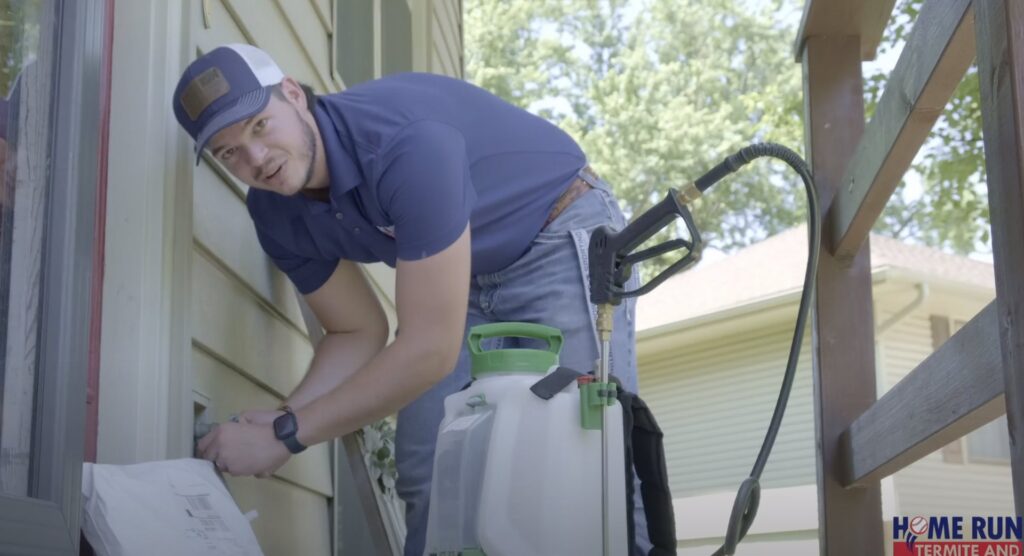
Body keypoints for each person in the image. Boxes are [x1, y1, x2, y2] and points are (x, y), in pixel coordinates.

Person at [177, 44, 649, 555]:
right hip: (460, 273)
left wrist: (289, 436)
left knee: (584, 455)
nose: (256, 159)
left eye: (260, 126)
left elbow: (429, 348)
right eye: (229, 153)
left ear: (293, 94)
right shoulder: (276, 213)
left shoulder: (402, 144)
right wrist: (284, 419)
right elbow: (356, 331)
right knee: (430, 464)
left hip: (554, 230)